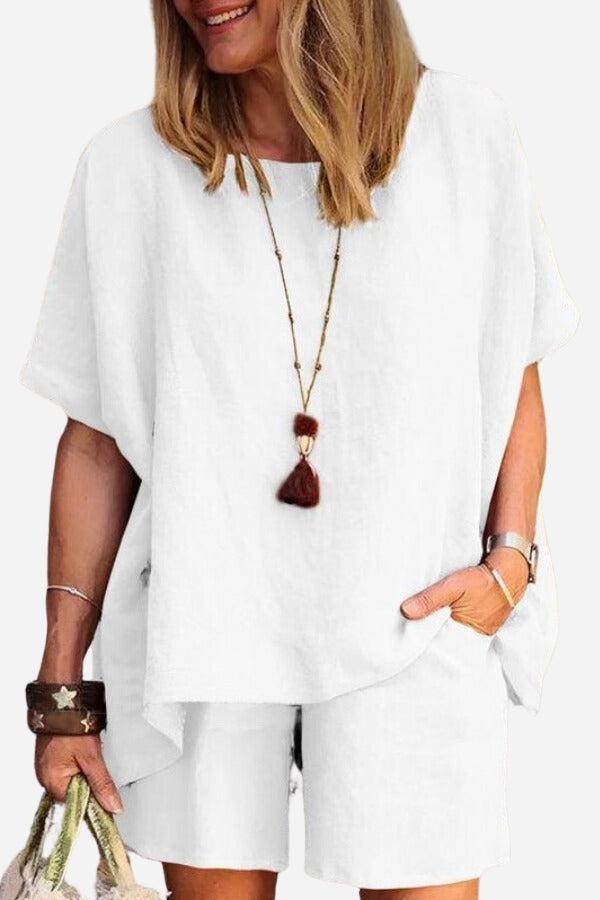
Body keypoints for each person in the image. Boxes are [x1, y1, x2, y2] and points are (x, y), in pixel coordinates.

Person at [21, 1, 579, 898]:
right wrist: (61, 691)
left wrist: (510, 563)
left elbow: (512, 361)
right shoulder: (131, 167)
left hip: (414, 620)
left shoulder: (464, 137)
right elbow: (95, 440)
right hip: (202, 635)